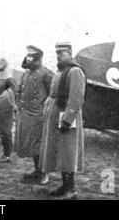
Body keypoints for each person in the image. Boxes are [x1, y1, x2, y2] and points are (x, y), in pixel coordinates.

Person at [39, 43, 86, 200]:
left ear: (70, 53)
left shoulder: (75, 71)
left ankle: (70, 189)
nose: (59, 55)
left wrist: (67, 120)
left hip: (65, 117)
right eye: (57, 52)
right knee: (60, 152)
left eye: (62, 52)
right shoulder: (62, 71)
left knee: (67, 153)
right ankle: (64, 186)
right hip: (56, 116)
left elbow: (76, 97)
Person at [14, 45, 53, 184]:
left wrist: (45, 108)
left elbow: (53, 94)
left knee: (38, 146)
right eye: (28, 56)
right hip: (26, 113)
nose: (28, 58)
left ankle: (43, 174)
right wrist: (18, 105)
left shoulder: (46, 73)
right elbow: (20, 90)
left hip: (38, 115)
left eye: (31, 56)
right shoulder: (26, 73)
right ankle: (37, 171)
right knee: (30, 145)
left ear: (38, 58)